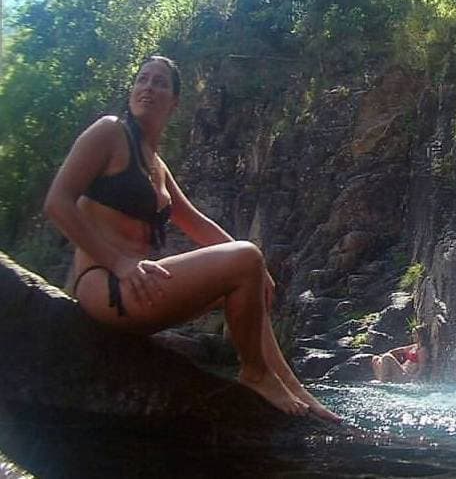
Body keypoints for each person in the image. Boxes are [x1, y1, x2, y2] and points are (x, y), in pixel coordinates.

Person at [44, 55, 340, 423]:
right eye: (143, 79)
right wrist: (118, 263)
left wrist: (258, 270)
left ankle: (293, 387)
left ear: (175, 101)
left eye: (160, 83)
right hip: (105, 289)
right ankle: (254, 373)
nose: (148, 87)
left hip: (142, 291)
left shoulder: (156, 164)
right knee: (246, 259)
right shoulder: (109, 132)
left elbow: (197, 225)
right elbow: (57, 201)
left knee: (247, 278)